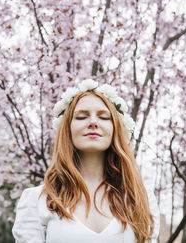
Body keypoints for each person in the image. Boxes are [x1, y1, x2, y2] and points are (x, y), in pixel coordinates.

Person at [12, 79, 160, 243]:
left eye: (104, 117)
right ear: (67, 128)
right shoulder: (36, 200)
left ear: (116, 128)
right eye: (81, 117)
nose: (93, 122)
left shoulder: (140, 198)